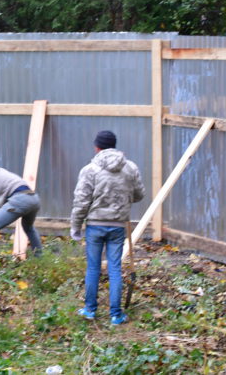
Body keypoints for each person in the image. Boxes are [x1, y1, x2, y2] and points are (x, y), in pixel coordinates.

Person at [70, 130, 145, 325]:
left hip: (95, 225)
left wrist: (76, 227)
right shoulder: (130, 168)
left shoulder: (89, 170)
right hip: (118, 225)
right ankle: (116, 314)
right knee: (114, 268)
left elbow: (81, 201)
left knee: (93, 267)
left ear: (97, 147)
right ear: (115, 145)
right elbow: (139, 195)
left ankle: (90, 309)